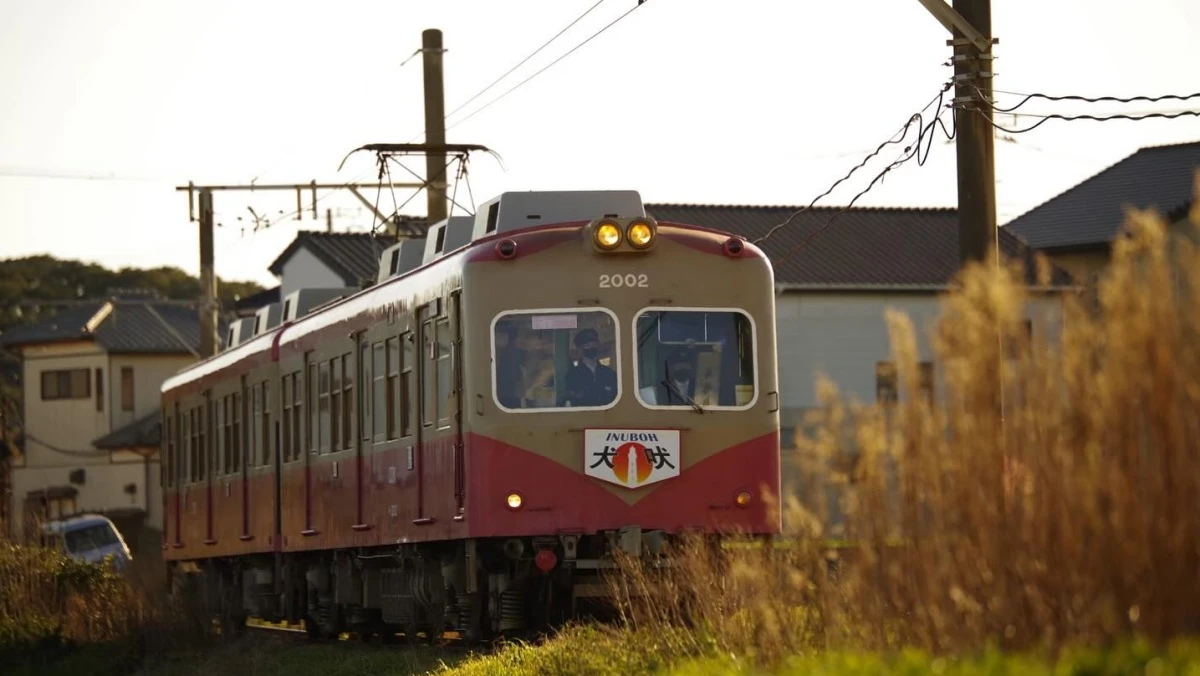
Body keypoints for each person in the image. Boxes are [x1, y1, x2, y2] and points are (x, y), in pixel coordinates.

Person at [564, 328, 617, 407]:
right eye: (588, 345)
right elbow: (572, 399)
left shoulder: (609, 373)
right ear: (580, 348)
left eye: (594, 344)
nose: (592, 347)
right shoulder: (573, 374)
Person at [494, 320, 524, 408]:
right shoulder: (487, 353)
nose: (501, 338)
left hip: (511, 398)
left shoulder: (513, 355)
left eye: (504, 336)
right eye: (499, 335)